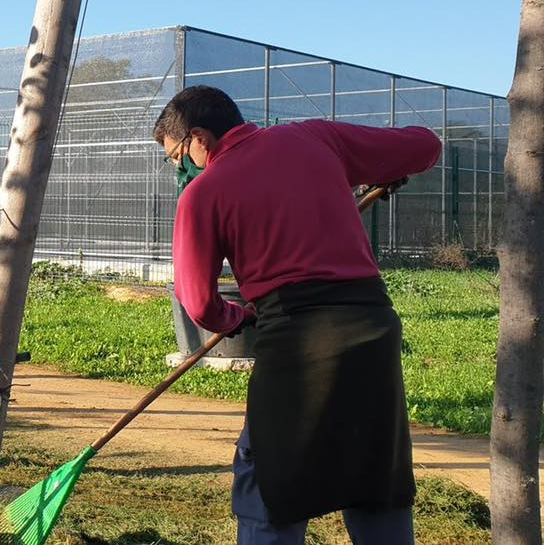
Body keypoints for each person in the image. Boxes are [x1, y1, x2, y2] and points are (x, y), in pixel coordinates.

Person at [156, 85, 440, 543]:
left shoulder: (202, 194)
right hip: (370, 332)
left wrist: (237, 318)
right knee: (374, 475)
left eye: (177, 156)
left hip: (294, 340)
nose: (180, 168)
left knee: (269, 482)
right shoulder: (312, 137)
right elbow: (425, 145)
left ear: (200, 138)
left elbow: (199, 305)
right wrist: (388, 168)